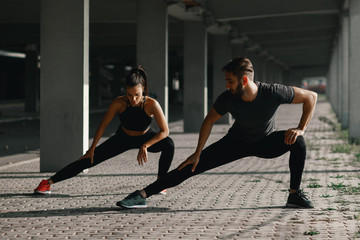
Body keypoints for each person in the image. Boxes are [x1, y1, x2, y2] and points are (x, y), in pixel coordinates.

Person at [117, 57, 317, 209]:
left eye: (230, 81)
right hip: (235, 142)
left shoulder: (273, 92)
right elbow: (209, 120)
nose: (227, 85)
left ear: (244, 80)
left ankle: (294, 195)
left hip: (265, 142)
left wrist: (301, 128)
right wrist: (197, 153)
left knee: (298, 141)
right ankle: (142, 195)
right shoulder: (227, 98)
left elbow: (311, 97)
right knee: (190, 167)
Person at [34, 66, 174, 198]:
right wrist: (92, 148)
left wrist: (146, 145)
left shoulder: (152, 104)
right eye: (129, 95)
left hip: (144, 137)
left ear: (143, 89)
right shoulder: (119, 103)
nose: (133, 99)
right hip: (122, 138)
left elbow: (165, 131)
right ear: (125, 91)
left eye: (137, 95)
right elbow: (102, 126)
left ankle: (160, 183)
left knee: (169, 144)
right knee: (88, 159)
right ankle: (47, 183)